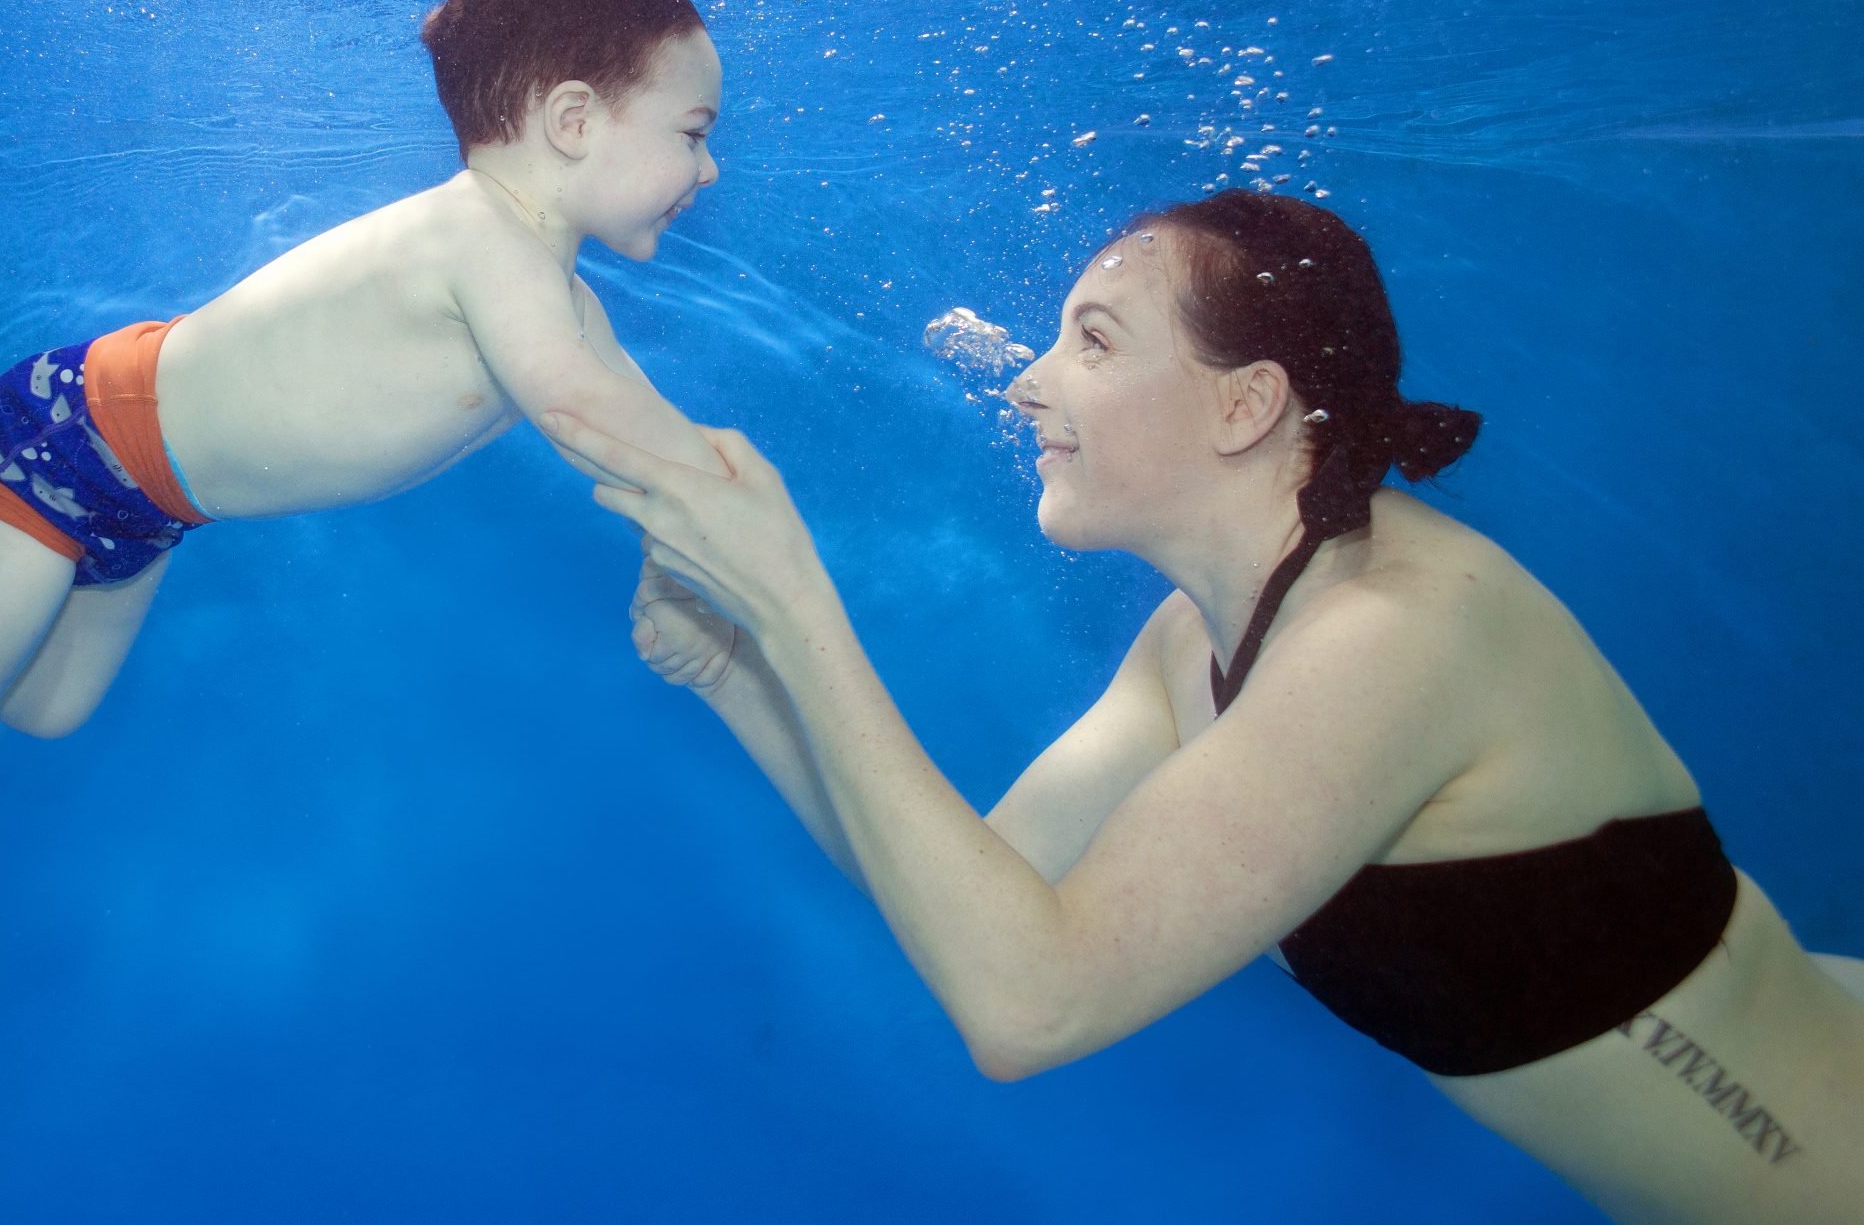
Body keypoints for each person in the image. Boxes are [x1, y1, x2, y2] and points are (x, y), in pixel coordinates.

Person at [543, 191, 1864, 1224]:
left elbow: (1028, 1006)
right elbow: (966, 895)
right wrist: (738, 670)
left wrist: (794, 606)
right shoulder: (1206, 642)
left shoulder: (1394, 638)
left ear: (1247, 402)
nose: (1027, 381)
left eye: (1091, 340)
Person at [0, 0, 726, 1093]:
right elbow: (590, 422)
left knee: (45, 703)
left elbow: (665, 449)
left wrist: (683, 557)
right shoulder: (481, 249)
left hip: (149, 500)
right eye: (694, 132)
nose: (707, 172)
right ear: (570, 119)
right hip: (71, 433)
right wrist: (693, 544)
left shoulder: (559, 299)